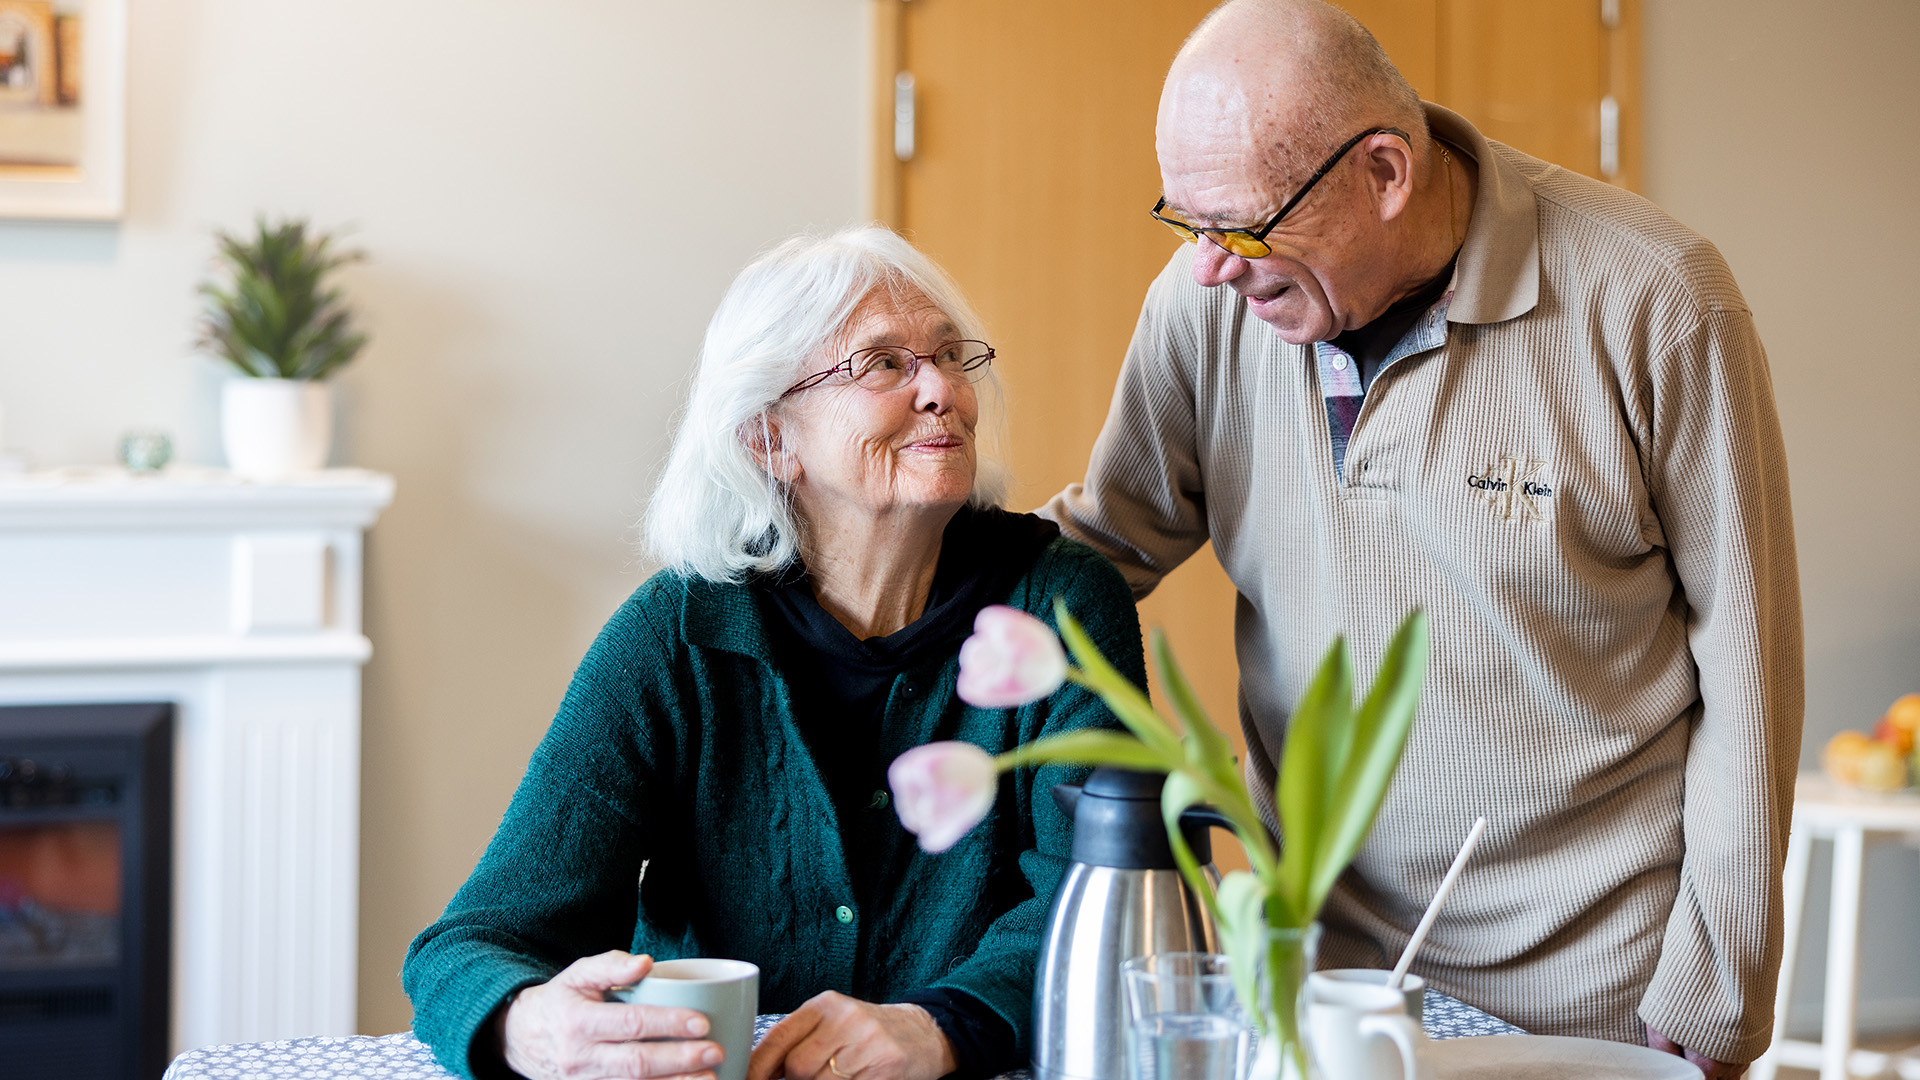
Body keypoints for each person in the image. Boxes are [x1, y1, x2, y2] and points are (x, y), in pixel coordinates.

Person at [1041, 2, 1801, 1076]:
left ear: (1386, 173)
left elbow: (1750, 660)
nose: (1211, 267)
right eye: (1187, 224)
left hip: (1591, 1005)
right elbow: (1093, 551)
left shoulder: (1655, 301)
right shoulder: (1208, 307)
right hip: (1315, 985)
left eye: (1242, 230)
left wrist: (1717, 989)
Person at [404, 226, 1144, 1080]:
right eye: (882, 364)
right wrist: (525, 1023)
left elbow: (1101, 898)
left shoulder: (1060, 605)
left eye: (950, 356)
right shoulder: (676, 632)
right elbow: (474, 942)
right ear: (769, 441)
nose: (943, 390)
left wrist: (940, 1026)